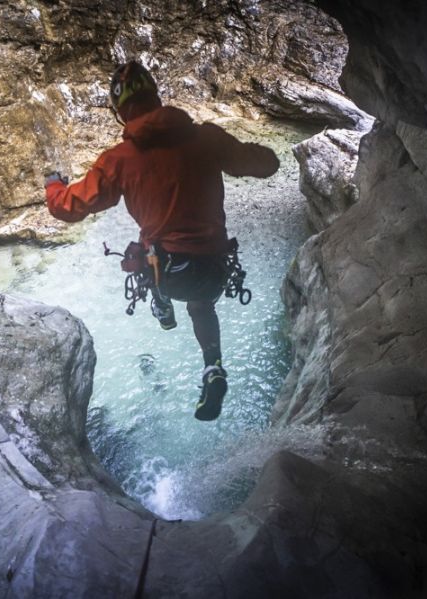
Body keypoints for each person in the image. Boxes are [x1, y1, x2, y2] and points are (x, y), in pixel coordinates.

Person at [44, 61, 279, 421]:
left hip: (167, 271)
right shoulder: (206, 138)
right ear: (156, 96)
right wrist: (254, 151)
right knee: (201, 305)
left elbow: (68, 208)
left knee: (145, 249)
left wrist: (53, 184)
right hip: (214, 268)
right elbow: (266, 165)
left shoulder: (119, 160)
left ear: (121, 111)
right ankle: (212, 366)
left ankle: (161, 304)